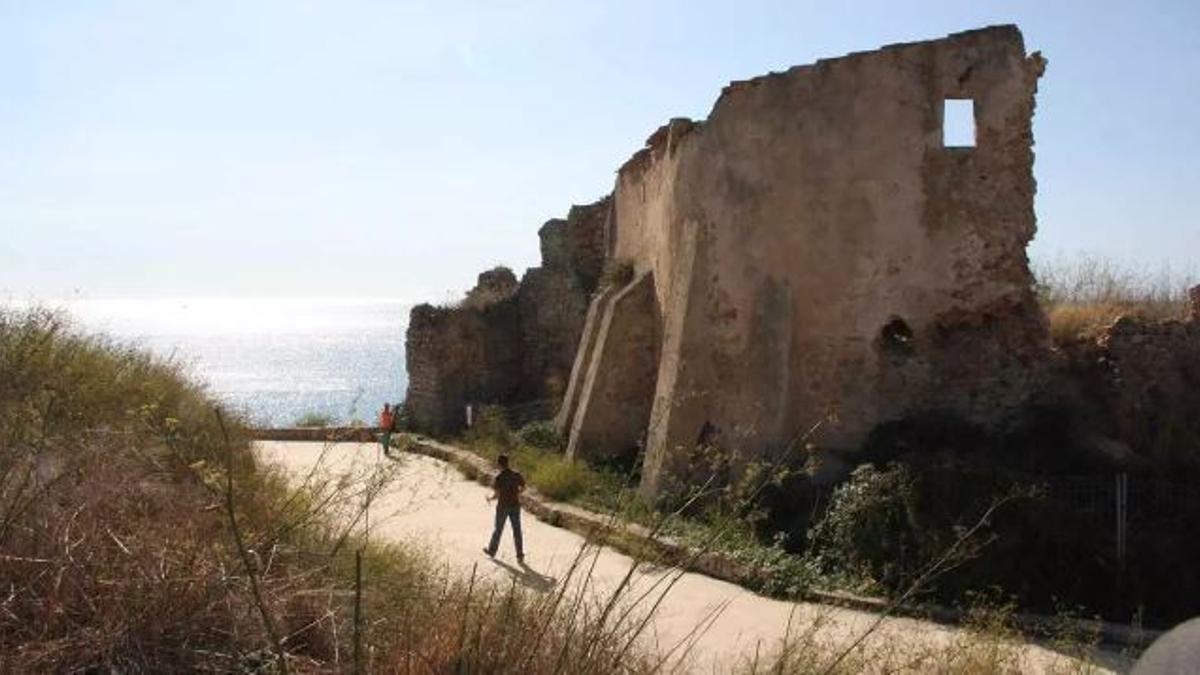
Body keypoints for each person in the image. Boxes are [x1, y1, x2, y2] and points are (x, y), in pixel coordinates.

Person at [483, 454, 526, 562]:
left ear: (499, 464)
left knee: (498, 530)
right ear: (507, 463)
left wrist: (489, 498)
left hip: (503, 506)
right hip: (515, 506)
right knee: (517, 531)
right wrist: (517, 493)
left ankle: (492, 551)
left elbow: (497, 495)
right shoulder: (516, 474)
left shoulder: (499, 477)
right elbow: (524, 487)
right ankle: (520, 555)